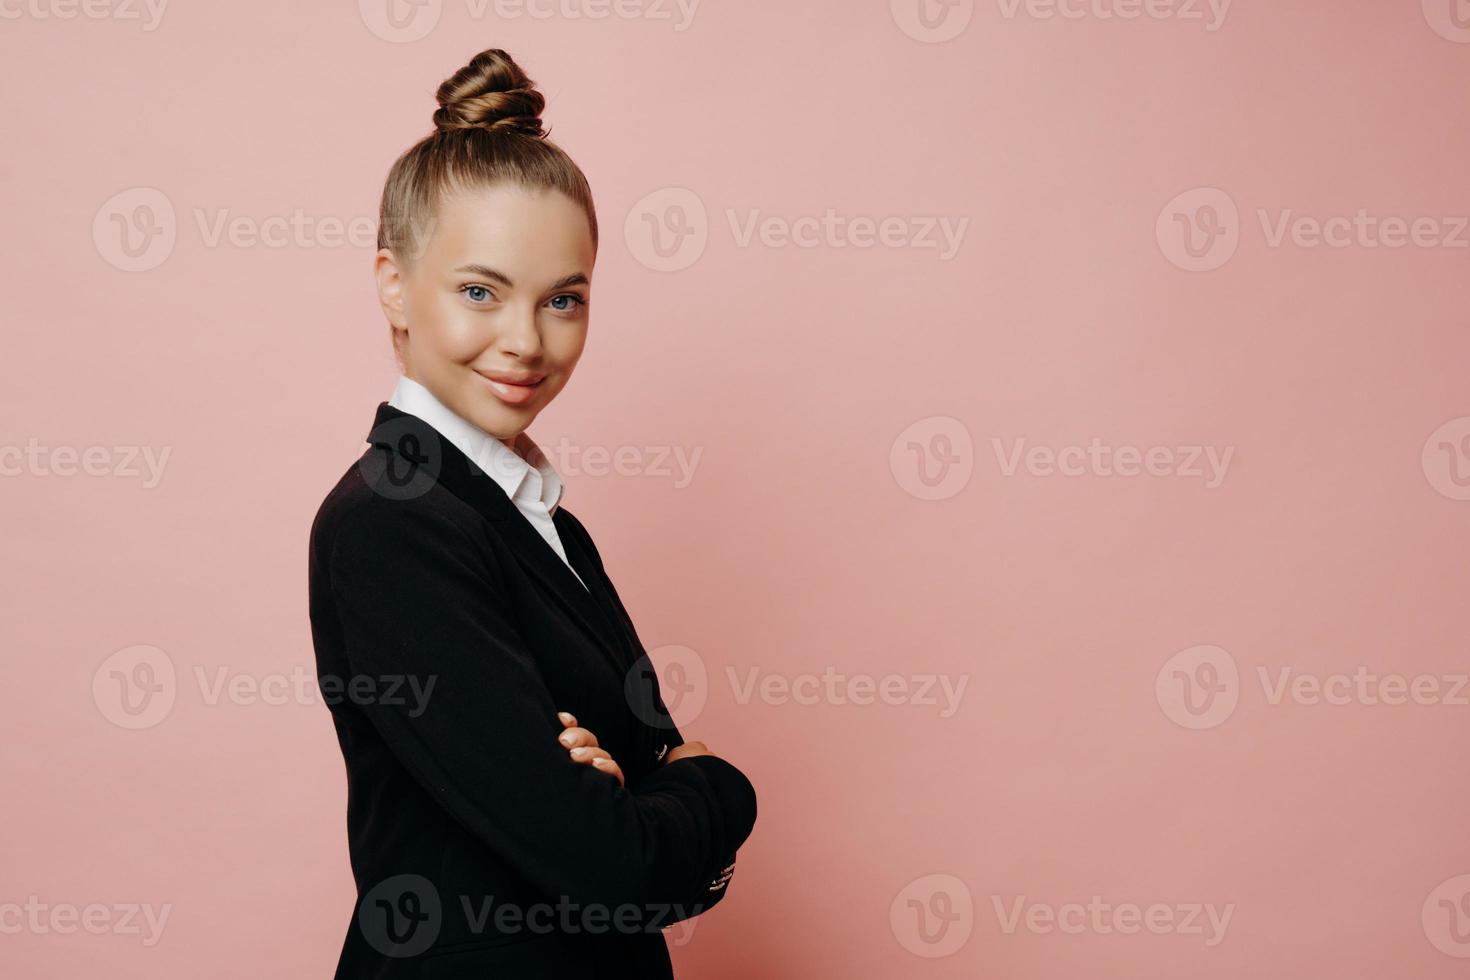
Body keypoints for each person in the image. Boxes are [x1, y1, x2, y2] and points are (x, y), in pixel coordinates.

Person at [306, 47, 757, 979]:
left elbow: (635, 779)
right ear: (393, 283)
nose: (525, 341)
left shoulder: (537, 519)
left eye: (564, 300)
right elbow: (613, 862)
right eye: (480, 291)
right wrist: (718, 789)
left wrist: (639, 789)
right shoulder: (391, 523)